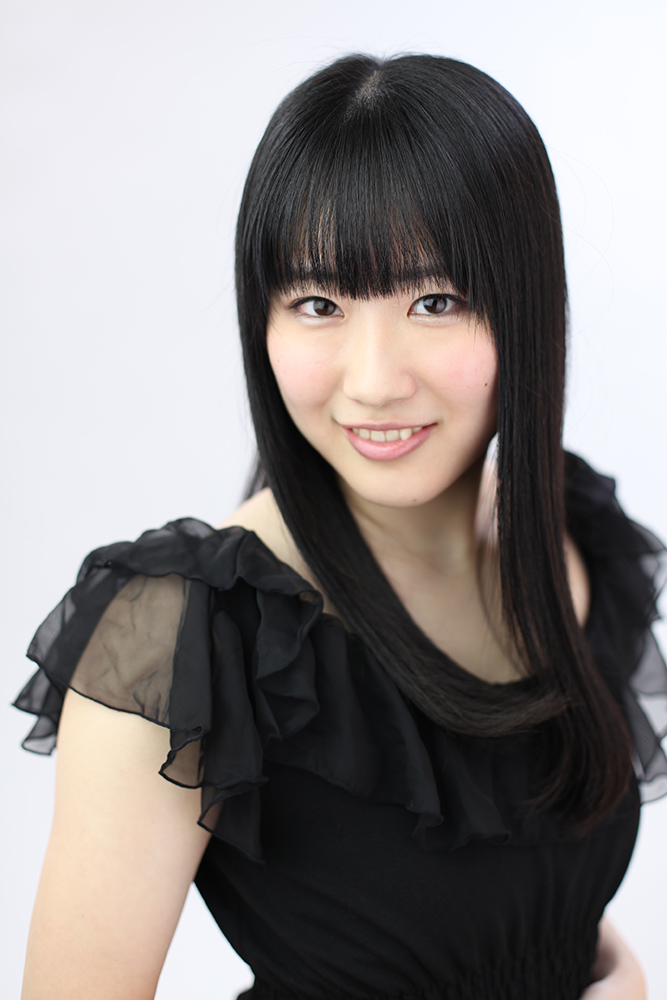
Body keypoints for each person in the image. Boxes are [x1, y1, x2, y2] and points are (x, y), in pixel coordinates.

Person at [14, 53, 666, 1000]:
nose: (373, 381)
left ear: (526, 303)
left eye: (434, 301)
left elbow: (513, 898)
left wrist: (620, 974)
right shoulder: (186, 640)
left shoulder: (574, 542)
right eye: (318, 304)